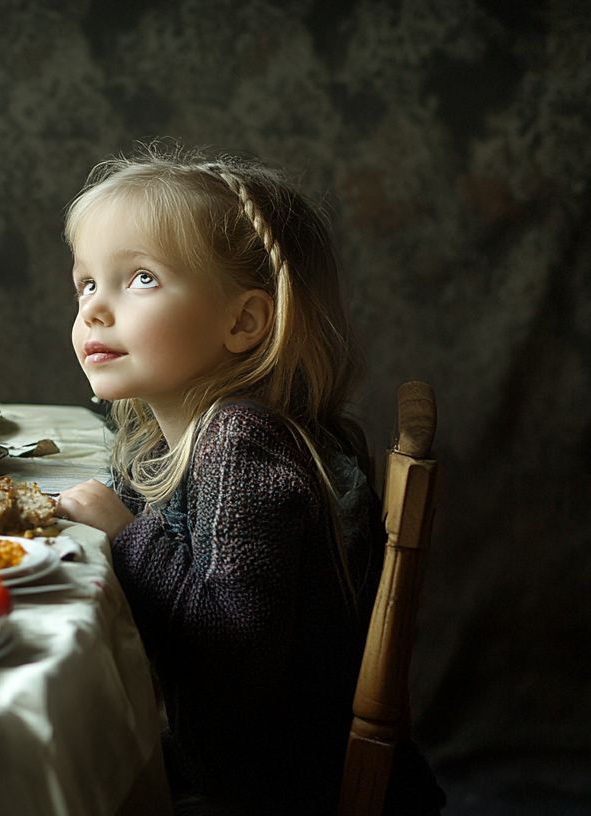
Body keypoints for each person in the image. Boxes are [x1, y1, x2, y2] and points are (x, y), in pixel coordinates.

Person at [55, 146, 444, 814]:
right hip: (239, 765)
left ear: (243, 321)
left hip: (273, 788)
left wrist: (126, 537)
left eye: (139, 278)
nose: (94, 310)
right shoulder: (177, 435)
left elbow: (232, 650)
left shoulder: (243, 443)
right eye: (86, 284)